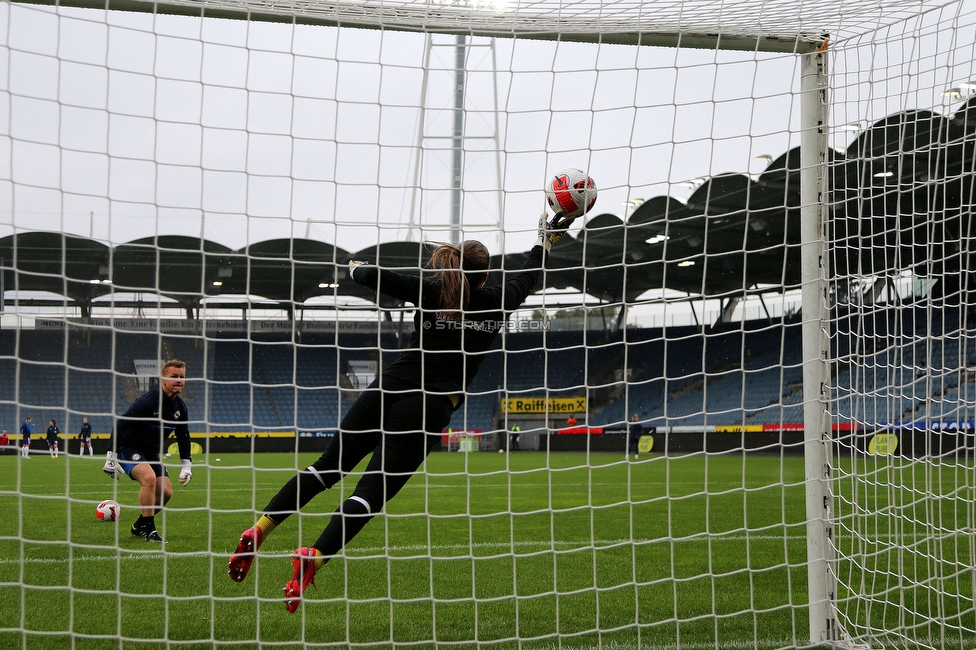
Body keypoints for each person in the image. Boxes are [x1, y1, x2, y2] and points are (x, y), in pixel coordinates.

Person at [228, 210, 578, 613]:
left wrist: (356, 268)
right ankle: (315, 556)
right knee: (370, 493)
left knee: (326, 468)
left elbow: (376, 277)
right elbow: (530, 274)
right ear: (485, 276)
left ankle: (261, 528)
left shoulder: (433, 291)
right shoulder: (499, 299)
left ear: (452, 265)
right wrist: (544, 239)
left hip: (387, 387)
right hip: (429, 407)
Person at [102, 359, 193, 543]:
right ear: (163, 379)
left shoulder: (180, 408)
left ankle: (140, 525)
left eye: (182, 377)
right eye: (174, 376)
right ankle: (150, 531)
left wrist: (186, 465)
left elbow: (183, 436)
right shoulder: (147, 402)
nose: (179, 380)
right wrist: (111, 457)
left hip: (151, 453)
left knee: (166, 492)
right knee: (149, 478)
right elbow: (120, 424)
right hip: (129, 448)